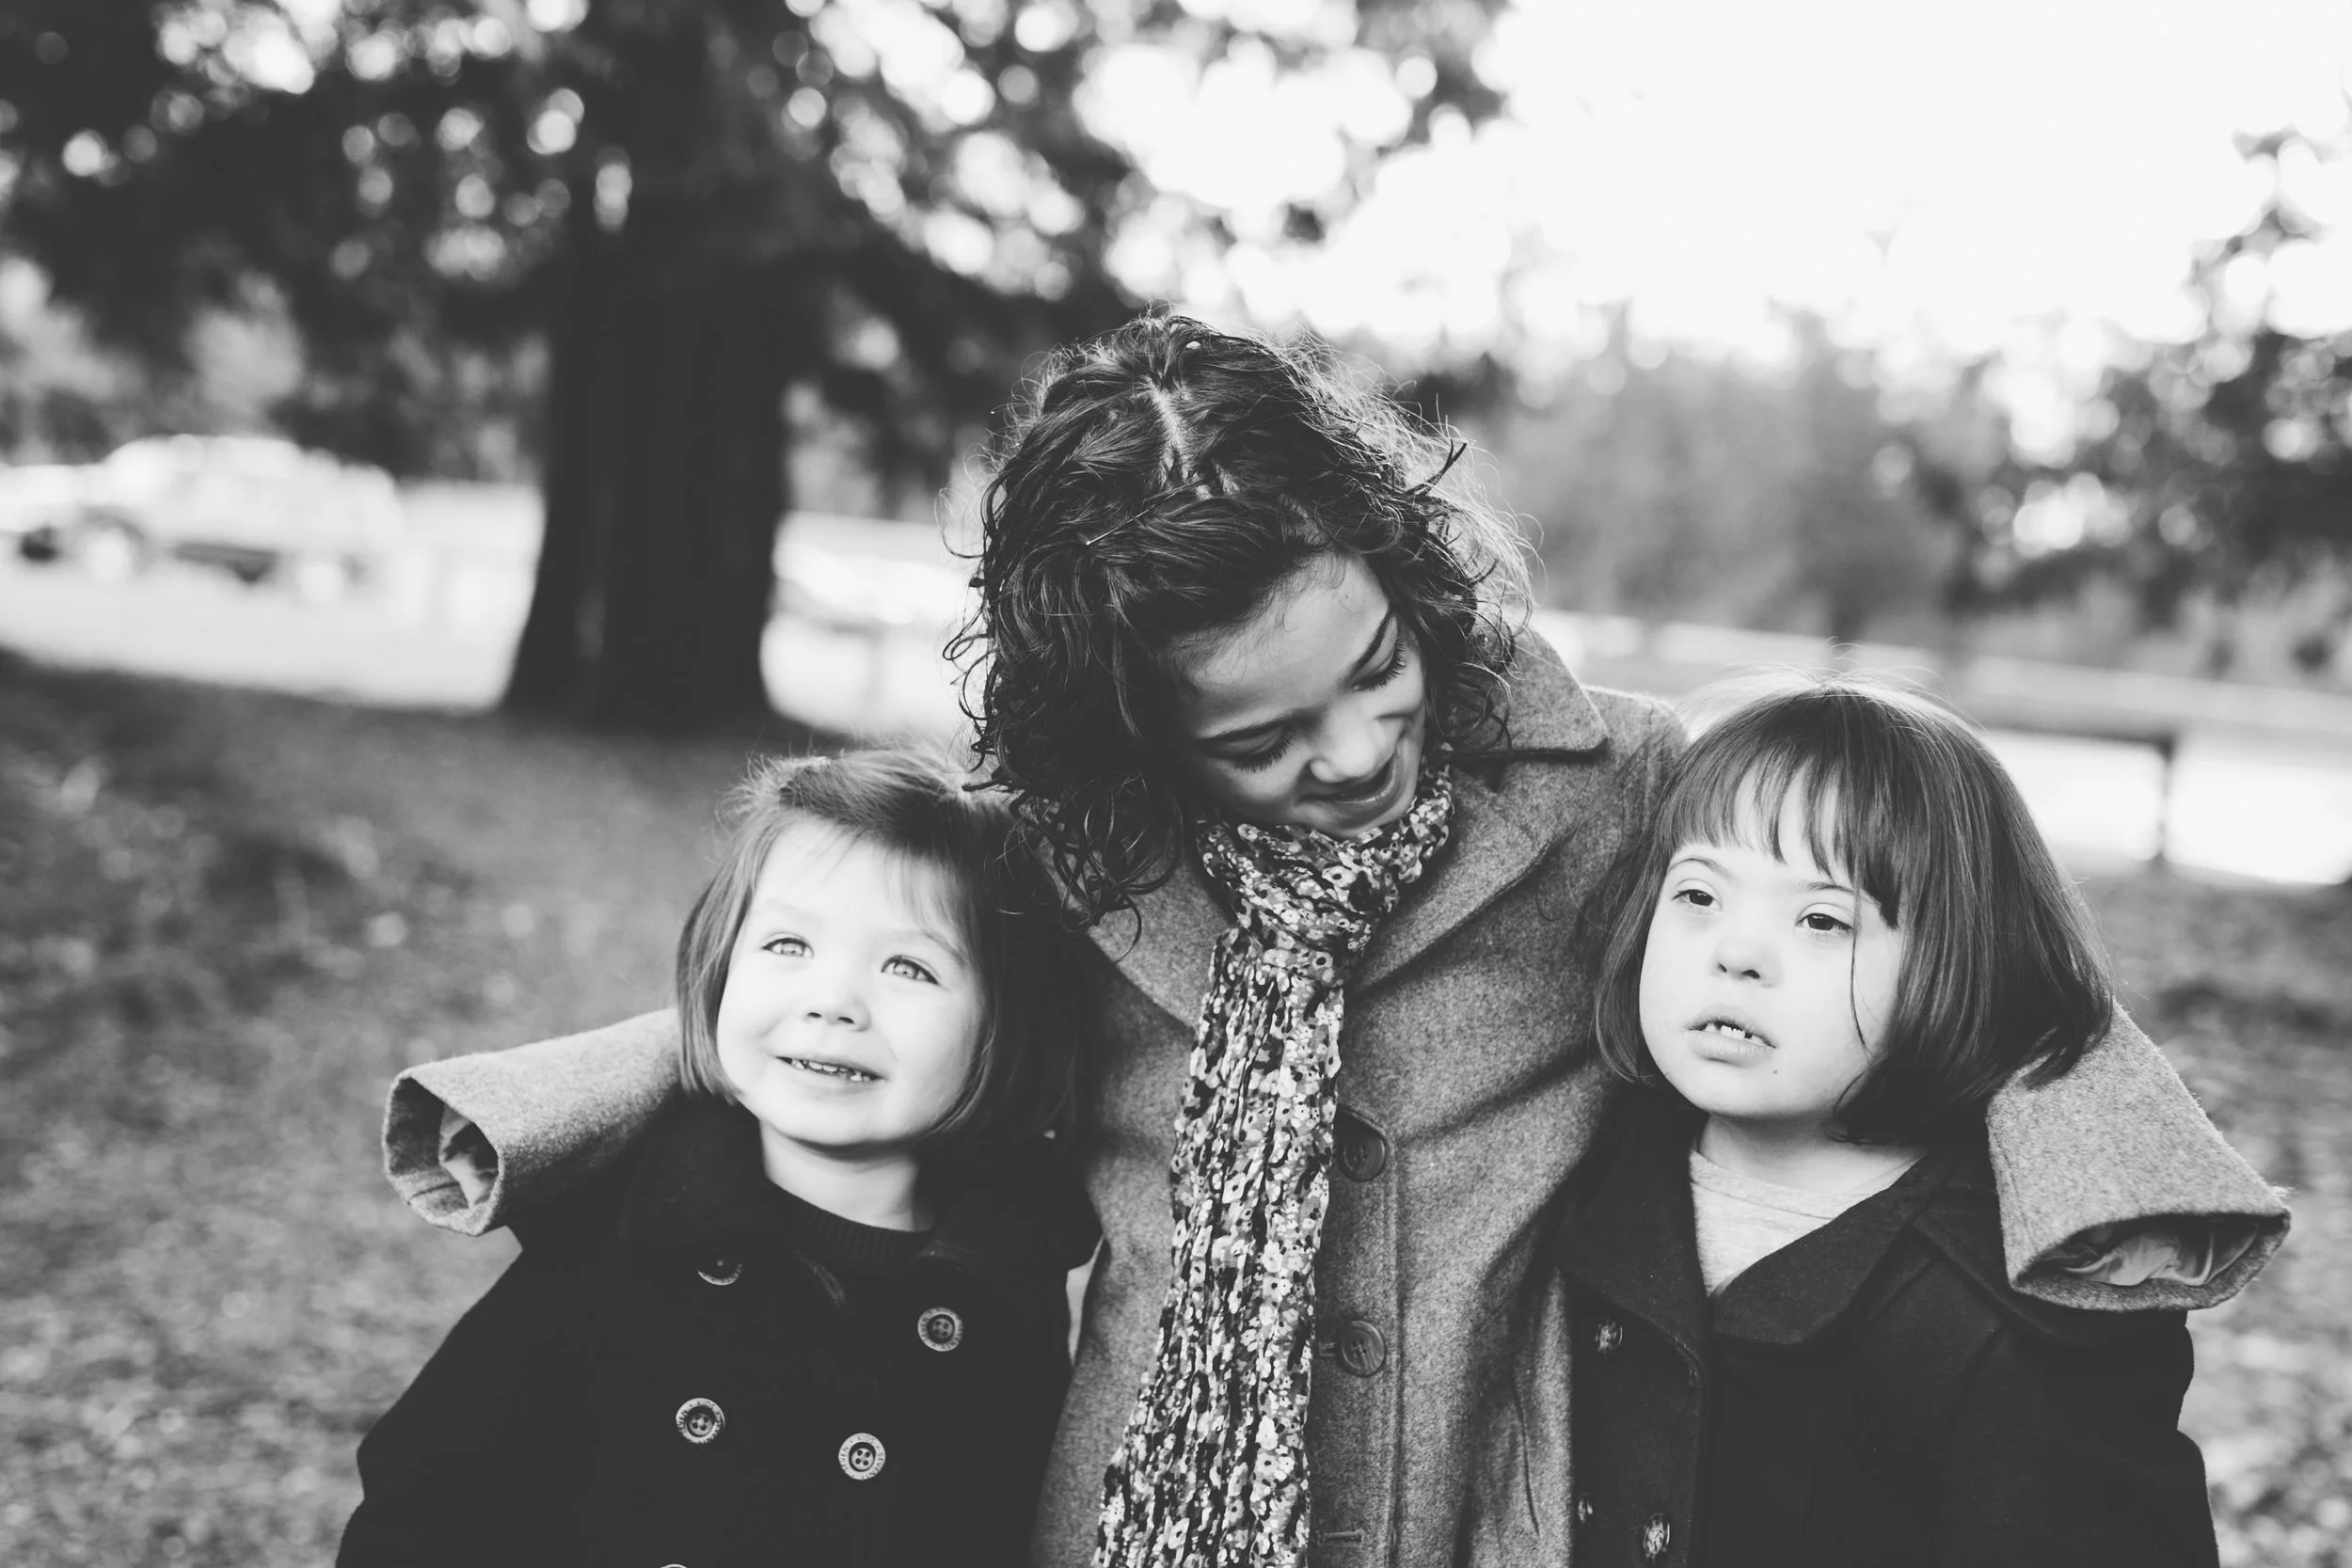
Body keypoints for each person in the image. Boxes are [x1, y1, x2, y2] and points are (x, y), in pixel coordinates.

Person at [370, 314, 2286, 1568]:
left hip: (1491, 1500)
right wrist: (559, 1100)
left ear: (1402, 563)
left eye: (1371, 665)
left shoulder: (1622, 783)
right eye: (1263, 739)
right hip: (1129, 1515)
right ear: (1132, 734)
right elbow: (838, 973)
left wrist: (2109, 1200)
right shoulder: (1067, 856)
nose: (1357, 747)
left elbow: (1939, 922)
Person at [339, 751, 1099, 1568]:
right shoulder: (617, 1241)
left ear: (1002, 1025)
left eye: (908, 966)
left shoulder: (1009, 1280)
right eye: (787, 944)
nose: (833, 1000)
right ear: (719, 968)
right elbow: (421, 1504)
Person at [1540, 677, 2228, 1566]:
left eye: (1822, 919)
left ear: (1951, 964)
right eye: (1701, 896)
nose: (1737, 952)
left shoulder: (2004, 1319)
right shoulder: (1593, 1157)